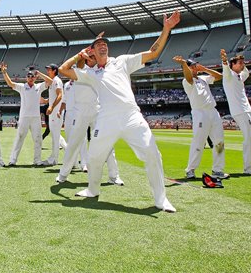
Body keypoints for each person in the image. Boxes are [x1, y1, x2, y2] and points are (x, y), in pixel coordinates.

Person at [62, 11, 180, 213]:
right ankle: (92, 190)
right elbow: (64, 70)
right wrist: (79, 54)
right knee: (94, 157)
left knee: (152, 153)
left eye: (105, 43)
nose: (103, 45)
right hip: (106, 119)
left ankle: (161, 199)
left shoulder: (122, 61)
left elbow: (152, 53)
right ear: (91, 51)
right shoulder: (89, 73)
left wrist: (166, 29)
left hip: (131, 116)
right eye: (98, 44)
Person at [57, 54, 123, 185]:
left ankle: (114, 176)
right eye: (91, 56)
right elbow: (78, 64)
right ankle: (63, 174)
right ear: (87, 59)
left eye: (94, 56)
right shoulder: (81, 70)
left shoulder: (100, 71)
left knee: (107, 143)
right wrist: (82, 53)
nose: (94, 58)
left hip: (97, 109)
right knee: (73, 144)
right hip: (80, 111)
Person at [173, 56, 229, 180]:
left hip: (213, 112)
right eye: (192, 66)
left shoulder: (203, 78)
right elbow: (188, 77)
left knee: (219, 142)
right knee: (198, 142)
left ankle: (218, 170)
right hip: (200, 113)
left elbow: (219, 76)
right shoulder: (186, 81)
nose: (194, 68)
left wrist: (204, 68)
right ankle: (190, 169)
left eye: (194, 66)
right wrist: (184, 64)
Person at [0, 66, 47, 166]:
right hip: (24, 117)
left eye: (33, 76)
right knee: (19, 138)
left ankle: (37, 161)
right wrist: (4, 73)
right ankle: (13, 160)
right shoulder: (22, 86)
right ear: (26, 77)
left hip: (35, 117)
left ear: (35, 77)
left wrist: (40, 74)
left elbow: (50, 82)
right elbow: (10, 83)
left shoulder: (39, 86)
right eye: (29, 76)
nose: (31, 77)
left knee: (38, 139)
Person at [37, 64, 68, 165]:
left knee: (55, 136)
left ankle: (53, 159)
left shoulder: (57, 81)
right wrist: (47, 102)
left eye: (49, 69)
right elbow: (54, 95)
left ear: (54, 70)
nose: (47, 70)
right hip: (54, 112)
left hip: (56, 112)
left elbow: (60, 95)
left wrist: (51, 107)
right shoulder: (53, 81)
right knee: (56, 135)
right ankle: (72, 157)